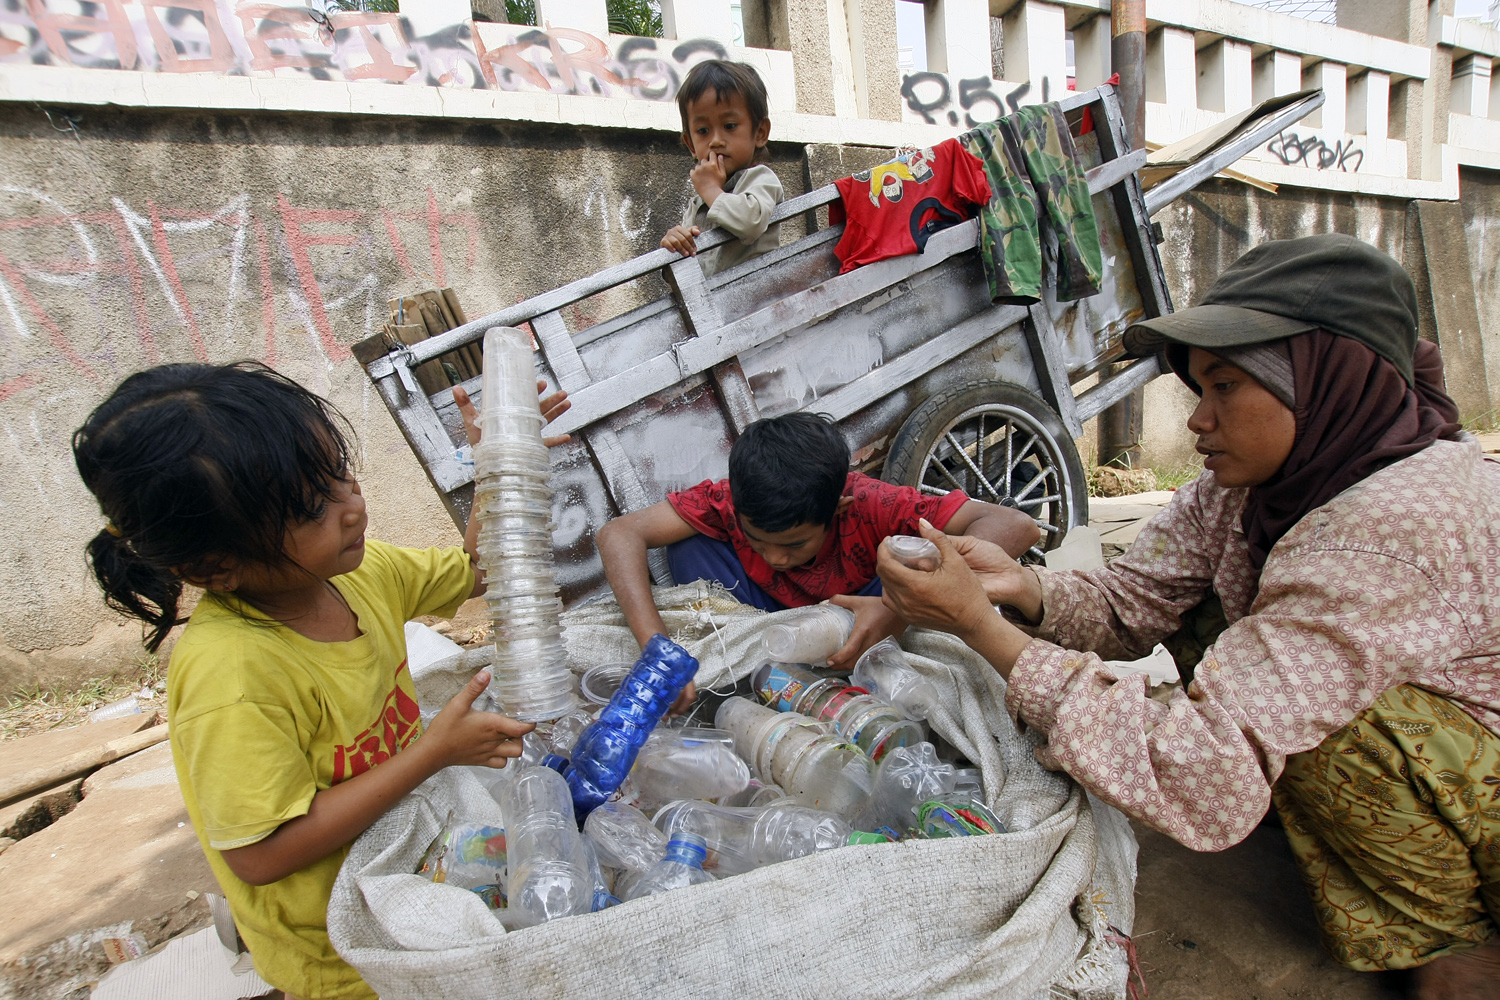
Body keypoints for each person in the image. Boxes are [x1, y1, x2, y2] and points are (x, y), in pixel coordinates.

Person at [876, 234, 1500, 999]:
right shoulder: (1251, 483)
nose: (1199, 418)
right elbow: (1136, 599)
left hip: (1482, 767)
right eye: (1198, 387)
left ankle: (1459, 939)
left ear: (1325, 380)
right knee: (1217, 622)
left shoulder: (1390, 530)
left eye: (1226, 386)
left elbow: (1204, 765)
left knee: (1337, 728)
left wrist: (982, 629)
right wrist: (1020, 590)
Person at [71, 363, 567, 1000]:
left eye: (338, 472)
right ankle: (258, 933)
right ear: (214, 566)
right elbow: (261, 854)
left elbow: (477, 571)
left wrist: (501, 468)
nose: (353, 505)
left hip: (408, 855)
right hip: (340, 943)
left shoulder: (358, 572)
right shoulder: (234, 678)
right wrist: (432, 754)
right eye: (312, 506)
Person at [596, 411, 1041, 676]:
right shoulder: (725, 500)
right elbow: (618, 533)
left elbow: (1016, 526)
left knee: (916, 558)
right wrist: (655, 645)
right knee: (686, 545)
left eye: (793, 544)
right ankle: (755, 643)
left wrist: (897, 607)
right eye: (758, 540)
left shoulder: (871, 503)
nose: (774, 557)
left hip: (858, 613)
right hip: (762, 611)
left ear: (839, 510)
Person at [659, 59, 783, 276]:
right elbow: (688, 272)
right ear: (691, 144)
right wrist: (674, 246)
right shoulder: (697, 205)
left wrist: (711, 191)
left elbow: (749, 222)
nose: (715, 140)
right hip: (716, 305)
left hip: (759, 299)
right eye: (703, 130)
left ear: (760, 132)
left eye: (729, 126)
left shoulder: (761, 179)